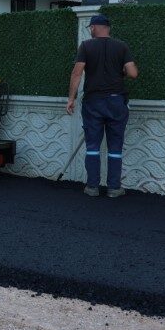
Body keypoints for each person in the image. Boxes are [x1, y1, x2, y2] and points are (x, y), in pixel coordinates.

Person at [65, 14, 139, 197]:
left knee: (92, 146)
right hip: (116, 101)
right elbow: (133, 73)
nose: (90, 30)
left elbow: (77, 73)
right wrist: (121, 71)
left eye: (91, 27)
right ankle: (114, 188)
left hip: (93, 102)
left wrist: (71, 99)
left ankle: (92, 187)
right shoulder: (121, 46)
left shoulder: (86, 46)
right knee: (115, 146)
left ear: (95, 27)